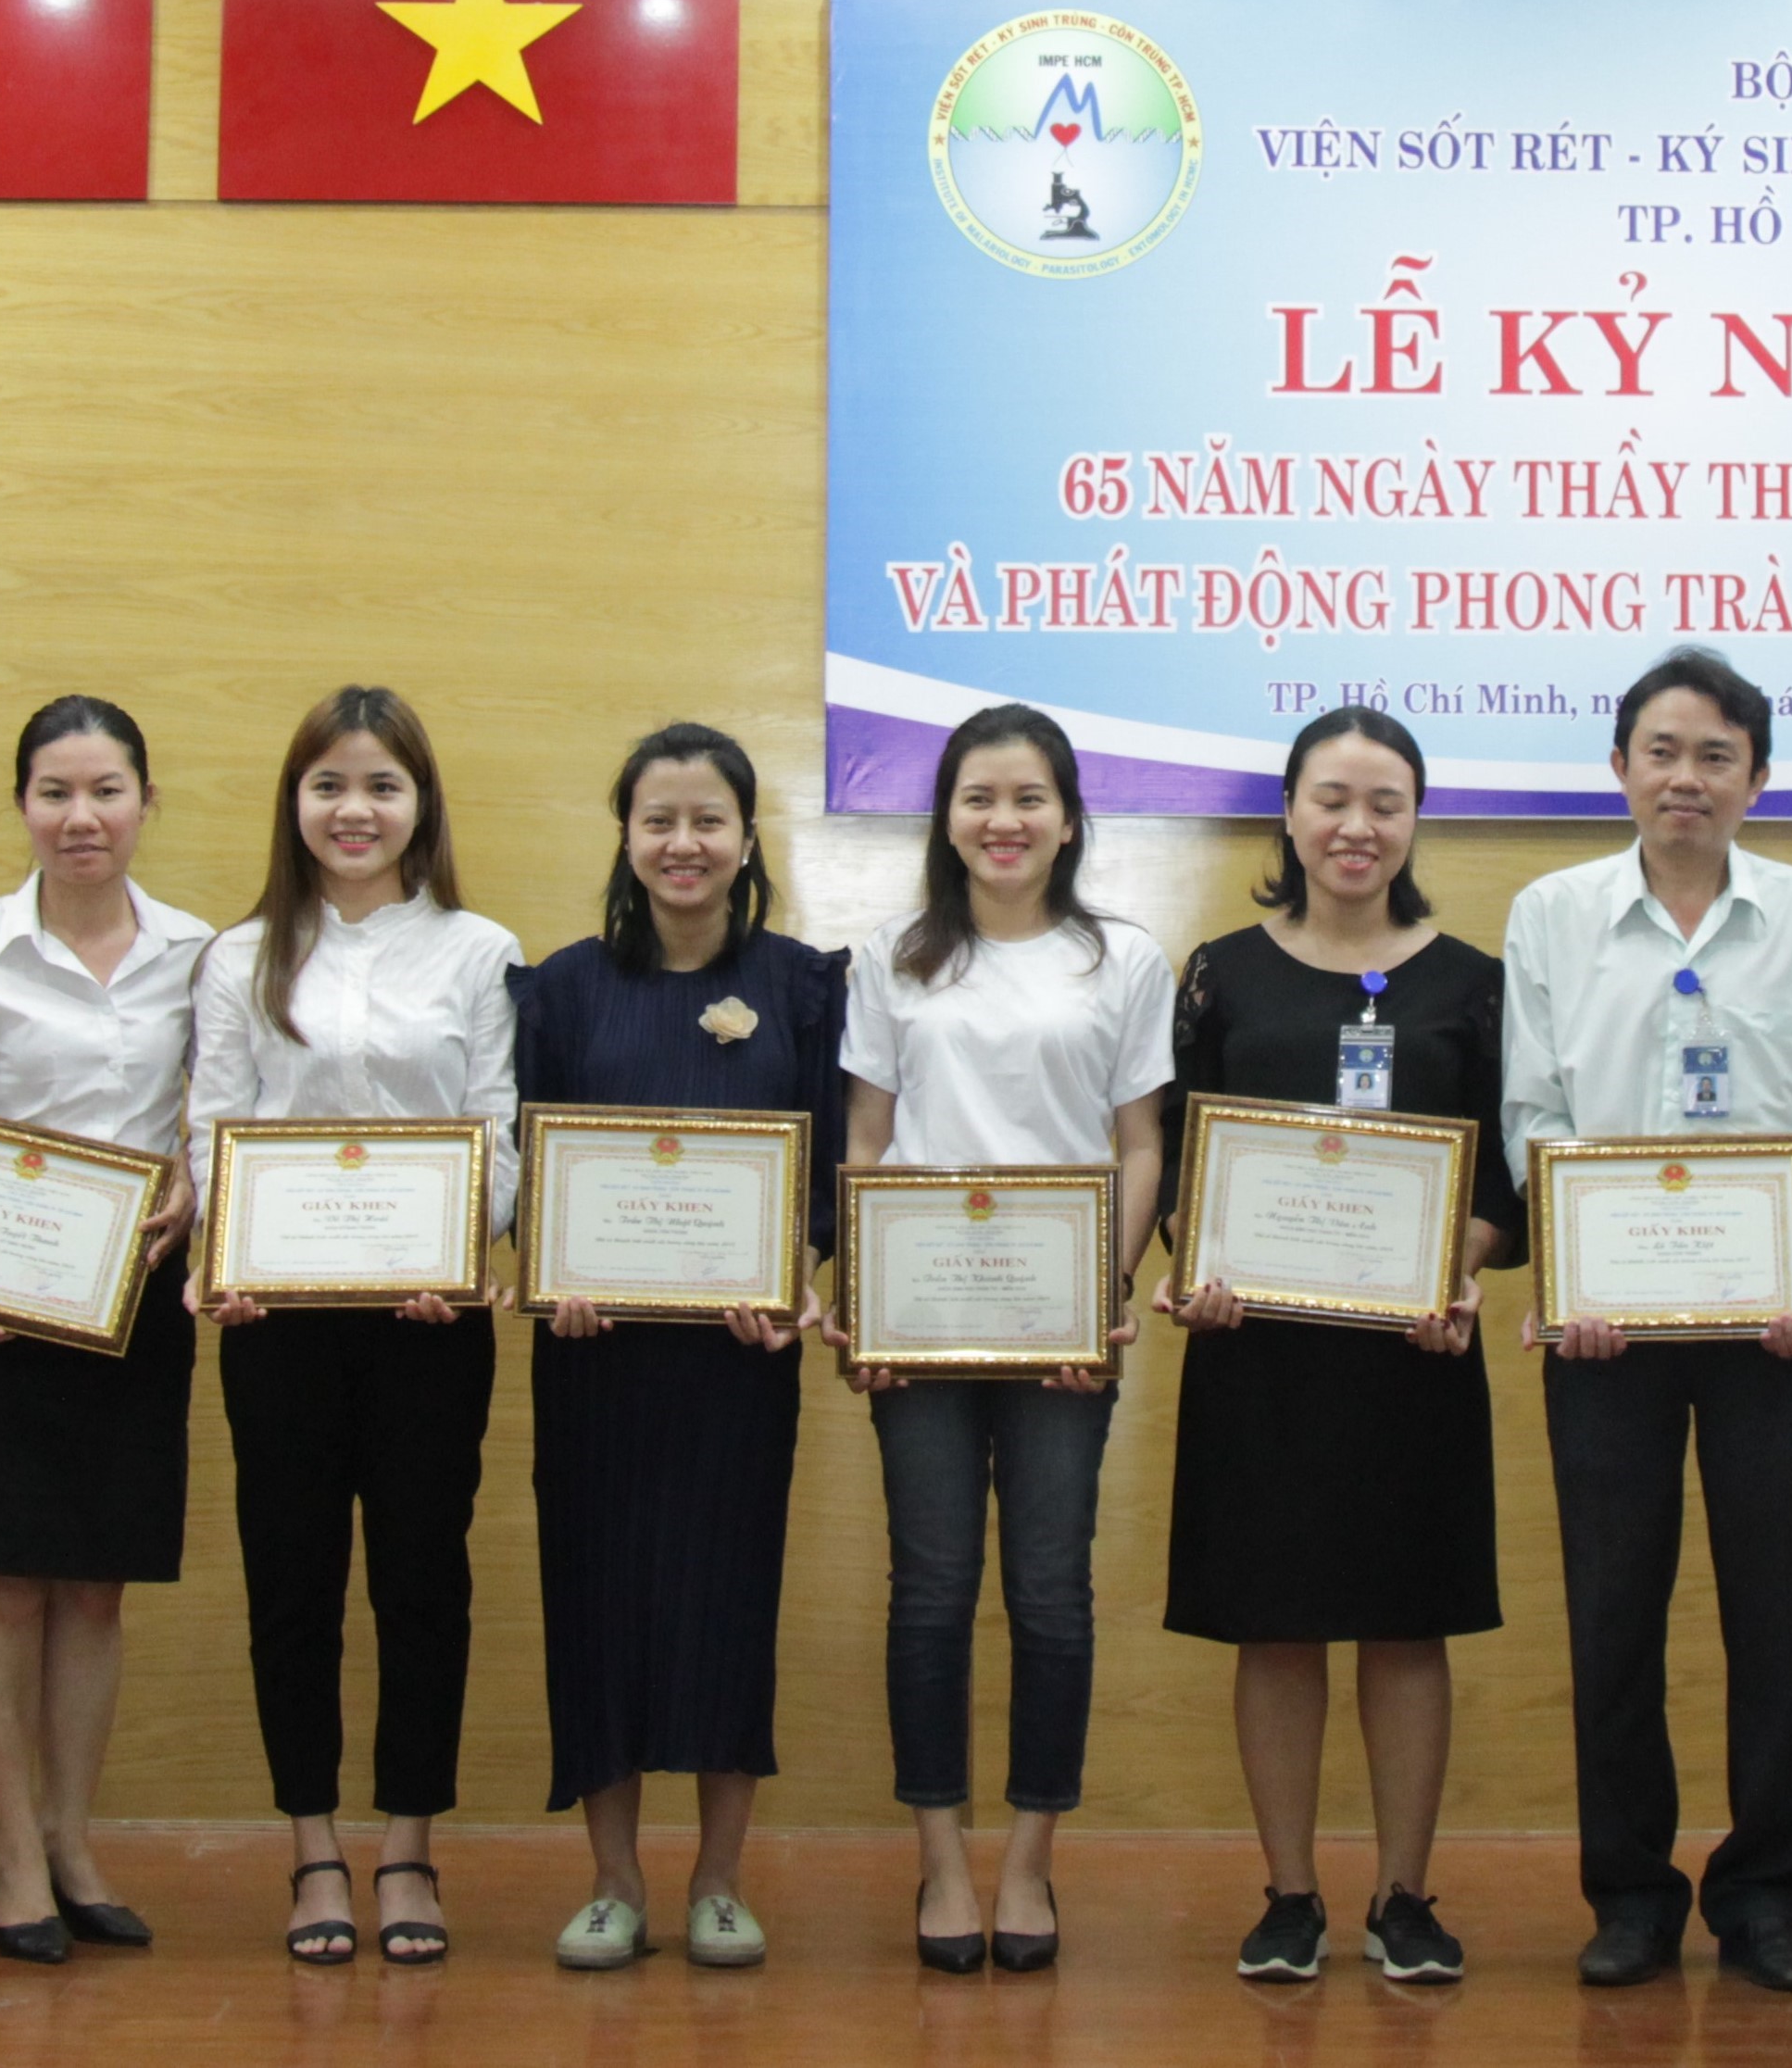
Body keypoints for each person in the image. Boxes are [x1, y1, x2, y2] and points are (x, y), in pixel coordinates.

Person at [1499, 647, 1792, 1995]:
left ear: (1756, 777)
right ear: (1619, 767)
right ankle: (1630, 1894)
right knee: (1613, 1614)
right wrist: (1571, 1278)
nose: (1686, 778)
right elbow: (1533, 1112)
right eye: (1661, 751)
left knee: (1776, 1618)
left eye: (1716, 755)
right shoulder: (1550, 914)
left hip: (1775, 1330)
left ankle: (1767, 1894)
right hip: (1606, 1333)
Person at [1159, 707, 1517, 1987]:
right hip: (1257, 1354)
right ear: (1289, 811)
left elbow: (1505, 1175)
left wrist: (1455, 1267)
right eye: (1331, 798)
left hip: (1413, 1353)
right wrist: (1194, 1260)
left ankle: (1404, 1897)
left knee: (1407, 1626)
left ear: (1415, 819)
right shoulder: (1219, 972)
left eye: (1383, 802)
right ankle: (1290, 1895)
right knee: (1275, 1626)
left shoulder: (1472, 981)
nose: (1355, 826)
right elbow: (1176, 1158)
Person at [188, 684, 518, 1969]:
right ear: (295, 802)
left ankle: (409, 1845)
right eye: (328, 783)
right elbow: (215, 1127)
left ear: (420, 803)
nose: (355, 808)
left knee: (423, 1583)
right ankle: (314, 1844)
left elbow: (496, 1128)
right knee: (293, 1583)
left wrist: (463, 1248)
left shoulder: (480, 952)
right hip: (277, 1319)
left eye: (382, 784)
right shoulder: (239, 956)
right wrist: (231, 1250)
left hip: (431, 1320)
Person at [837, 702, 1165, 1974]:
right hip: (918, 1323)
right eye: (979, 796)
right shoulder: (892, 956)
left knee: (1049, 1591)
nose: (1003, 819)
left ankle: (1028, 1860)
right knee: (928, 1591)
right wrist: (864, 1290)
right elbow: (867, 1139)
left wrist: (1105, 1284)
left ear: (1068, 819)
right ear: (946, 816)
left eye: (1029, 797)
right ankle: (942, 1861)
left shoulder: (1121, 959)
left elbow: (1140, 1144)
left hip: (1061, 1326)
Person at [516, 723, 845, 1973]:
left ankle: (717, 1881)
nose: (683, 842)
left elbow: (829, 1167)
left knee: (726, 1604)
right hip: (593, 1359)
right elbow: (529, 1163)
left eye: (708, 819)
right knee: (593, 1604)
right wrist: (551, 1275)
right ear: (626, 836)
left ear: (747, 838)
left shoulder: (803, 986)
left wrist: (795, 1269)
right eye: (659, 819)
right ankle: (612, 1883)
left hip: (737, 1363)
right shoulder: (560, 988)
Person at [0, 695, 211, 1965]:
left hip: (132, 1303)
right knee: (3, 1582)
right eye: (55, 792)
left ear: (145, 801)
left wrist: (194, 1176)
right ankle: (13, 1848)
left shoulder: (201, 952)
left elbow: (217, 1113)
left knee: (94, 1586)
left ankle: (74, 1839)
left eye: (106, 790)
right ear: (22, 803)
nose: (82, 817)